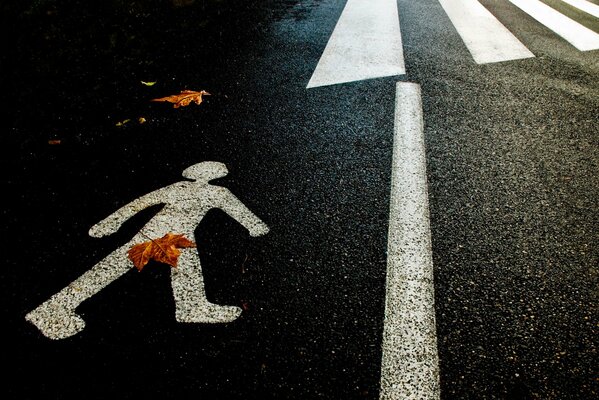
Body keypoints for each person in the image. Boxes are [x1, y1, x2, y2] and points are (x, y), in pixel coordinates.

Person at [26, 161, 269, 340]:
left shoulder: (186, 188)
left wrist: (111, 222)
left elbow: (139, 203)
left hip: (164, 233)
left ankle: (193, 307)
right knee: (119, 266)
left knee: (172, 267)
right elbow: (240, 212)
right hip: (167, 234)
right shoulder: (217, 192)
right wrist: (255, 226)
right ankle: (54, 307)